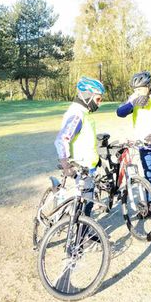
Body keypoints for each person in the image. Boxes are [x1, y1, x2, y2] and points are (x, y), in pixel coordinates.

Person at [116, 71, 151, 214]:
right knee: (147, 175)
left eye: (140, 89)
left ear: (148, 85)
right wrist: (132, 104)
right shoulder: (135, 97)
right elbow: (120, 112)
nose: (137, 92)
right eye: (135, 90)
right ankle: (148, 205)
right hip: (142, 143)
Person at [54, 76, 105, 216]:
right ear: (88, 96)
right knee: (85, 203)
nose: (99, 104)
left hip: (88, 164)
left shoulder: (84, 112)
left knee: (87, 202)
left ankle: (82, 231)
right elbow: (61, 139)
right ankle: (82, 235)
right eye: (98, 99)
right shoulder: (77, 114)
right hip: (81, 167)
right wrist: (65, 163)